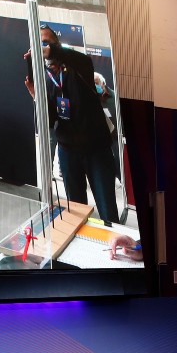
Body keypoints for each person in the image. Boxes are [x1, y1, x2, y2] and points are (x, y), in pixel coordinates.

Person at [24, 25, 117, 224]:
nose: (43, 48)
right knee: (76, 212)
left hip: (96, 150)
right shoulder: (45, 78)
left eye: (46, 43)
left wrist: (50, 50)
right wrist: (37, 98)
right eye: (39, 44)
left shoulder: (79, 66)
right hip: (68, 152)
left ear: (56, 45)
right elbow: (51, 121)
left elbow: (81, 60)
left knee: (108, 211)